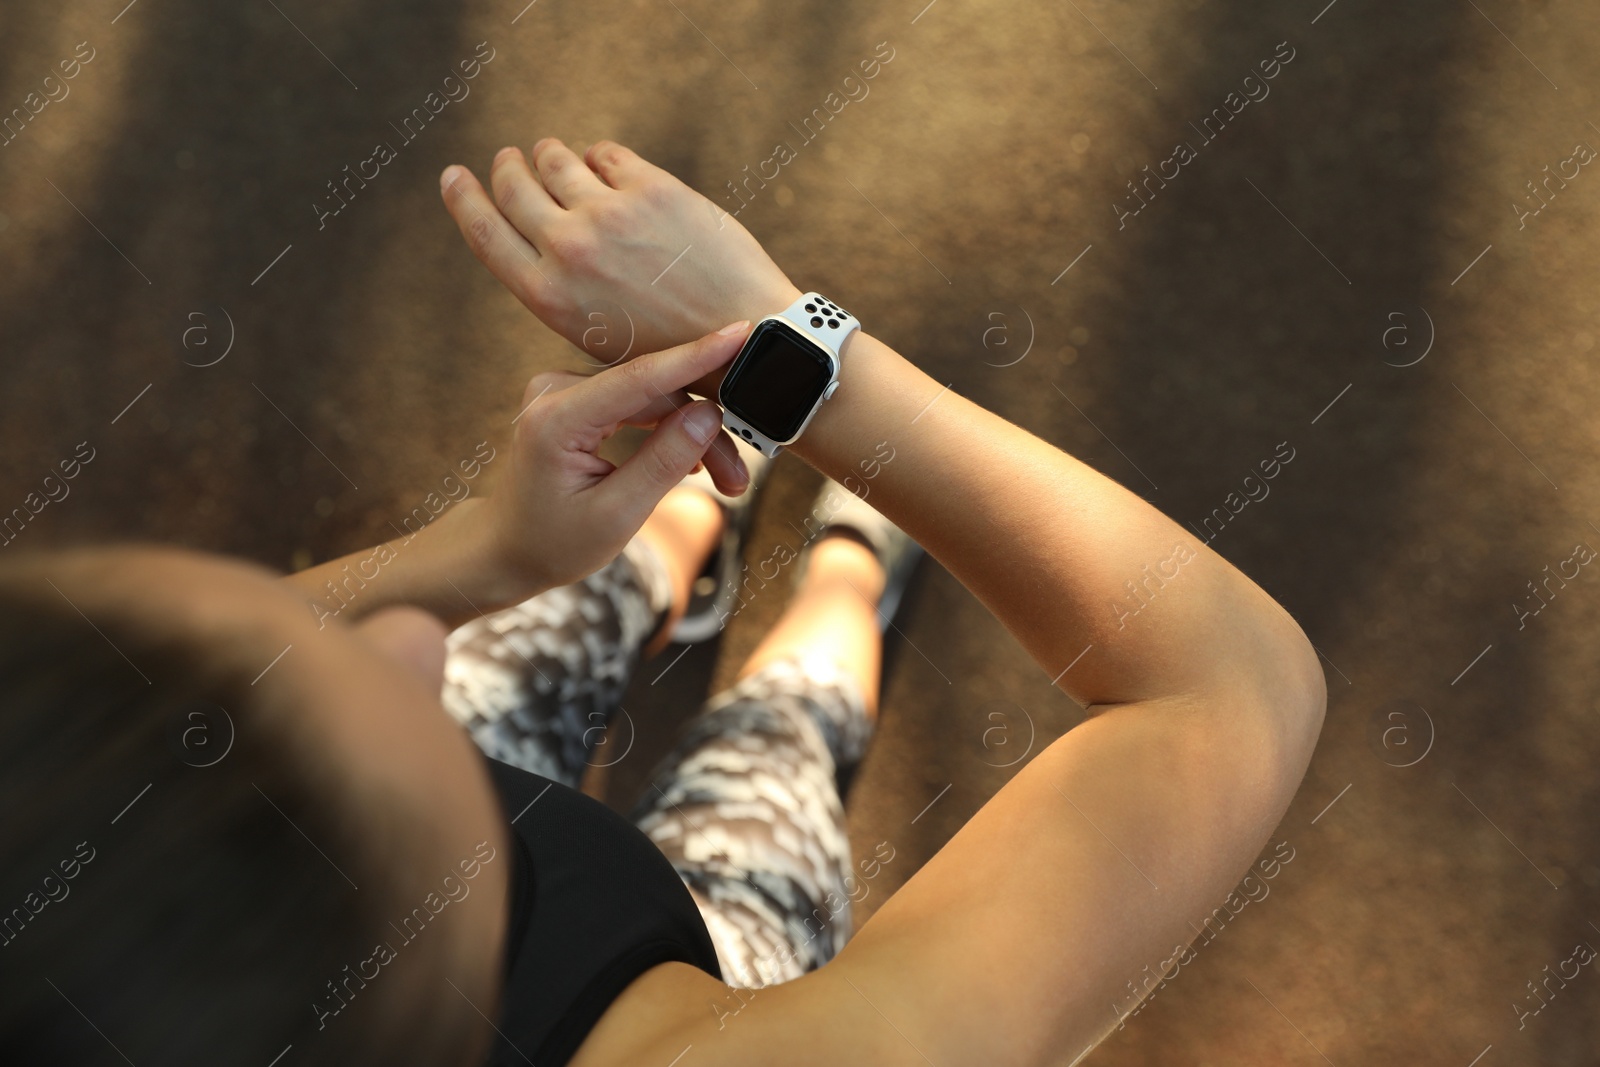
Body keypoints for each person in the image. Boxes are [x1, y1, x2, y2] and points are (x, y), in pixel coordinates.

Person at [0, 137, 1325, 1067]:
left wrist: (484, 554)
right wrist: (788, 351)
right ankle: (843, 578)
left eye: (217, 701)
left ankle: (674, 528)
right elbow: (1227, 686)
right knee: (784, 748)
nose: (415, 636)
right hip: (721, 981)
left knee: (542, 617)